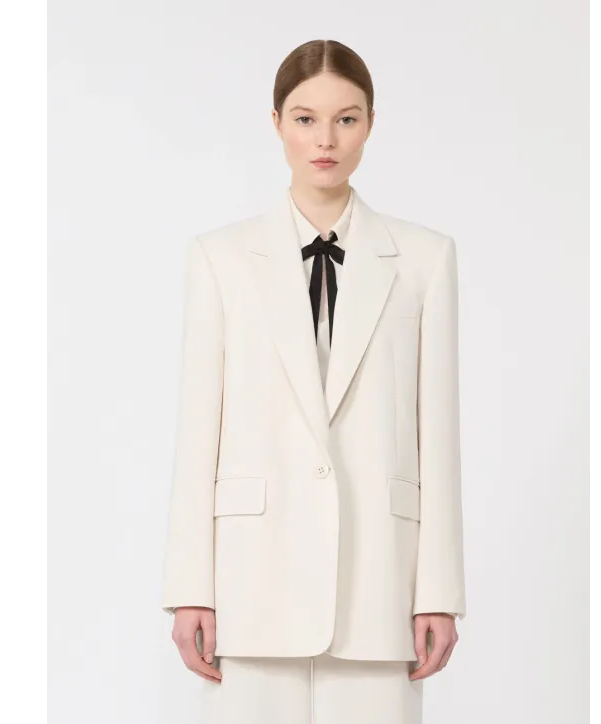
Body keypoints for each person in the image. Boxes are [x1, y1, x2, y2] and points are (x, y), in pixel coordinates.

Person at [161, 38, 467, 724]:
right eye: (305, 119)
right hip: (250, 578)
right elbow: (198, 432)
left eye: (346, 119)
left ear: (370, 123)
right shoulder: (219, 257)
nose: (325, 139)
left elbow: (438, 434)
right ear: (277, 123)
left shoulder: (424, 259)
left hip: (380, 580)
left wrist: (439, 591)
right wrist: (190, 587)